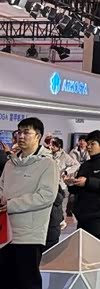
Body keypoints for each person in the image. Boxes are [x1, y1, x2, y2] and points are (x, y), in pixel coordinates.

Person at [0, 117, 59, 289]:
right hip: (6, 232)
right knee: (5, 280)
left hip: (29, 235)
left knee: (27, 281)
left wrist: (12, 204)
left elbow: (46, 195)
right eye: (19, 132)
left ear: (38, 136)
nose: (21, 136)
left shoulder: (47, 163)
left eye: (26, 132)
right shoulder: (10, 164)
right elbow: (2, 188)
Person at [66, 130, 100, 244]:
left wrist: (88, 182)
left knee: (97, 250)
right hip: (83, 215)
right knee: (83, 248)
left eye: (92, 144)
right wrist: (71, 183)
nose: (89, 147)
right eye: (88, 144)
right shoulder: (86, 165)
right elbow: (78, 188)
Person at [46, 138, 79, 251]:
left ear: (59, 146)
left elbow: (76, 164)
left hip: (60, 185)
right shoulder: (47, 154)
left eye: (53, 145)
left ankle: (61, 221)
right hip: (49, 184)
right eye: (50, 145)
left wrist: (66, 172)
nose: (51, 147)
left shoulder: (64, 156)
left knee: (59, 206)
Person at [66, 136, 89, 217]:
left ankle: (80, 209)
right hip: (75, 174)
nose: (82, 142)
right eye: (80, 140)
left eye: (84, 141)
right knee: (72, 193)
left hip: (85, 175)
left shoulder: (88, 151)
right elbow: (71, 163)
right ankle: (69, 210)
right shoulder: (73, 151)